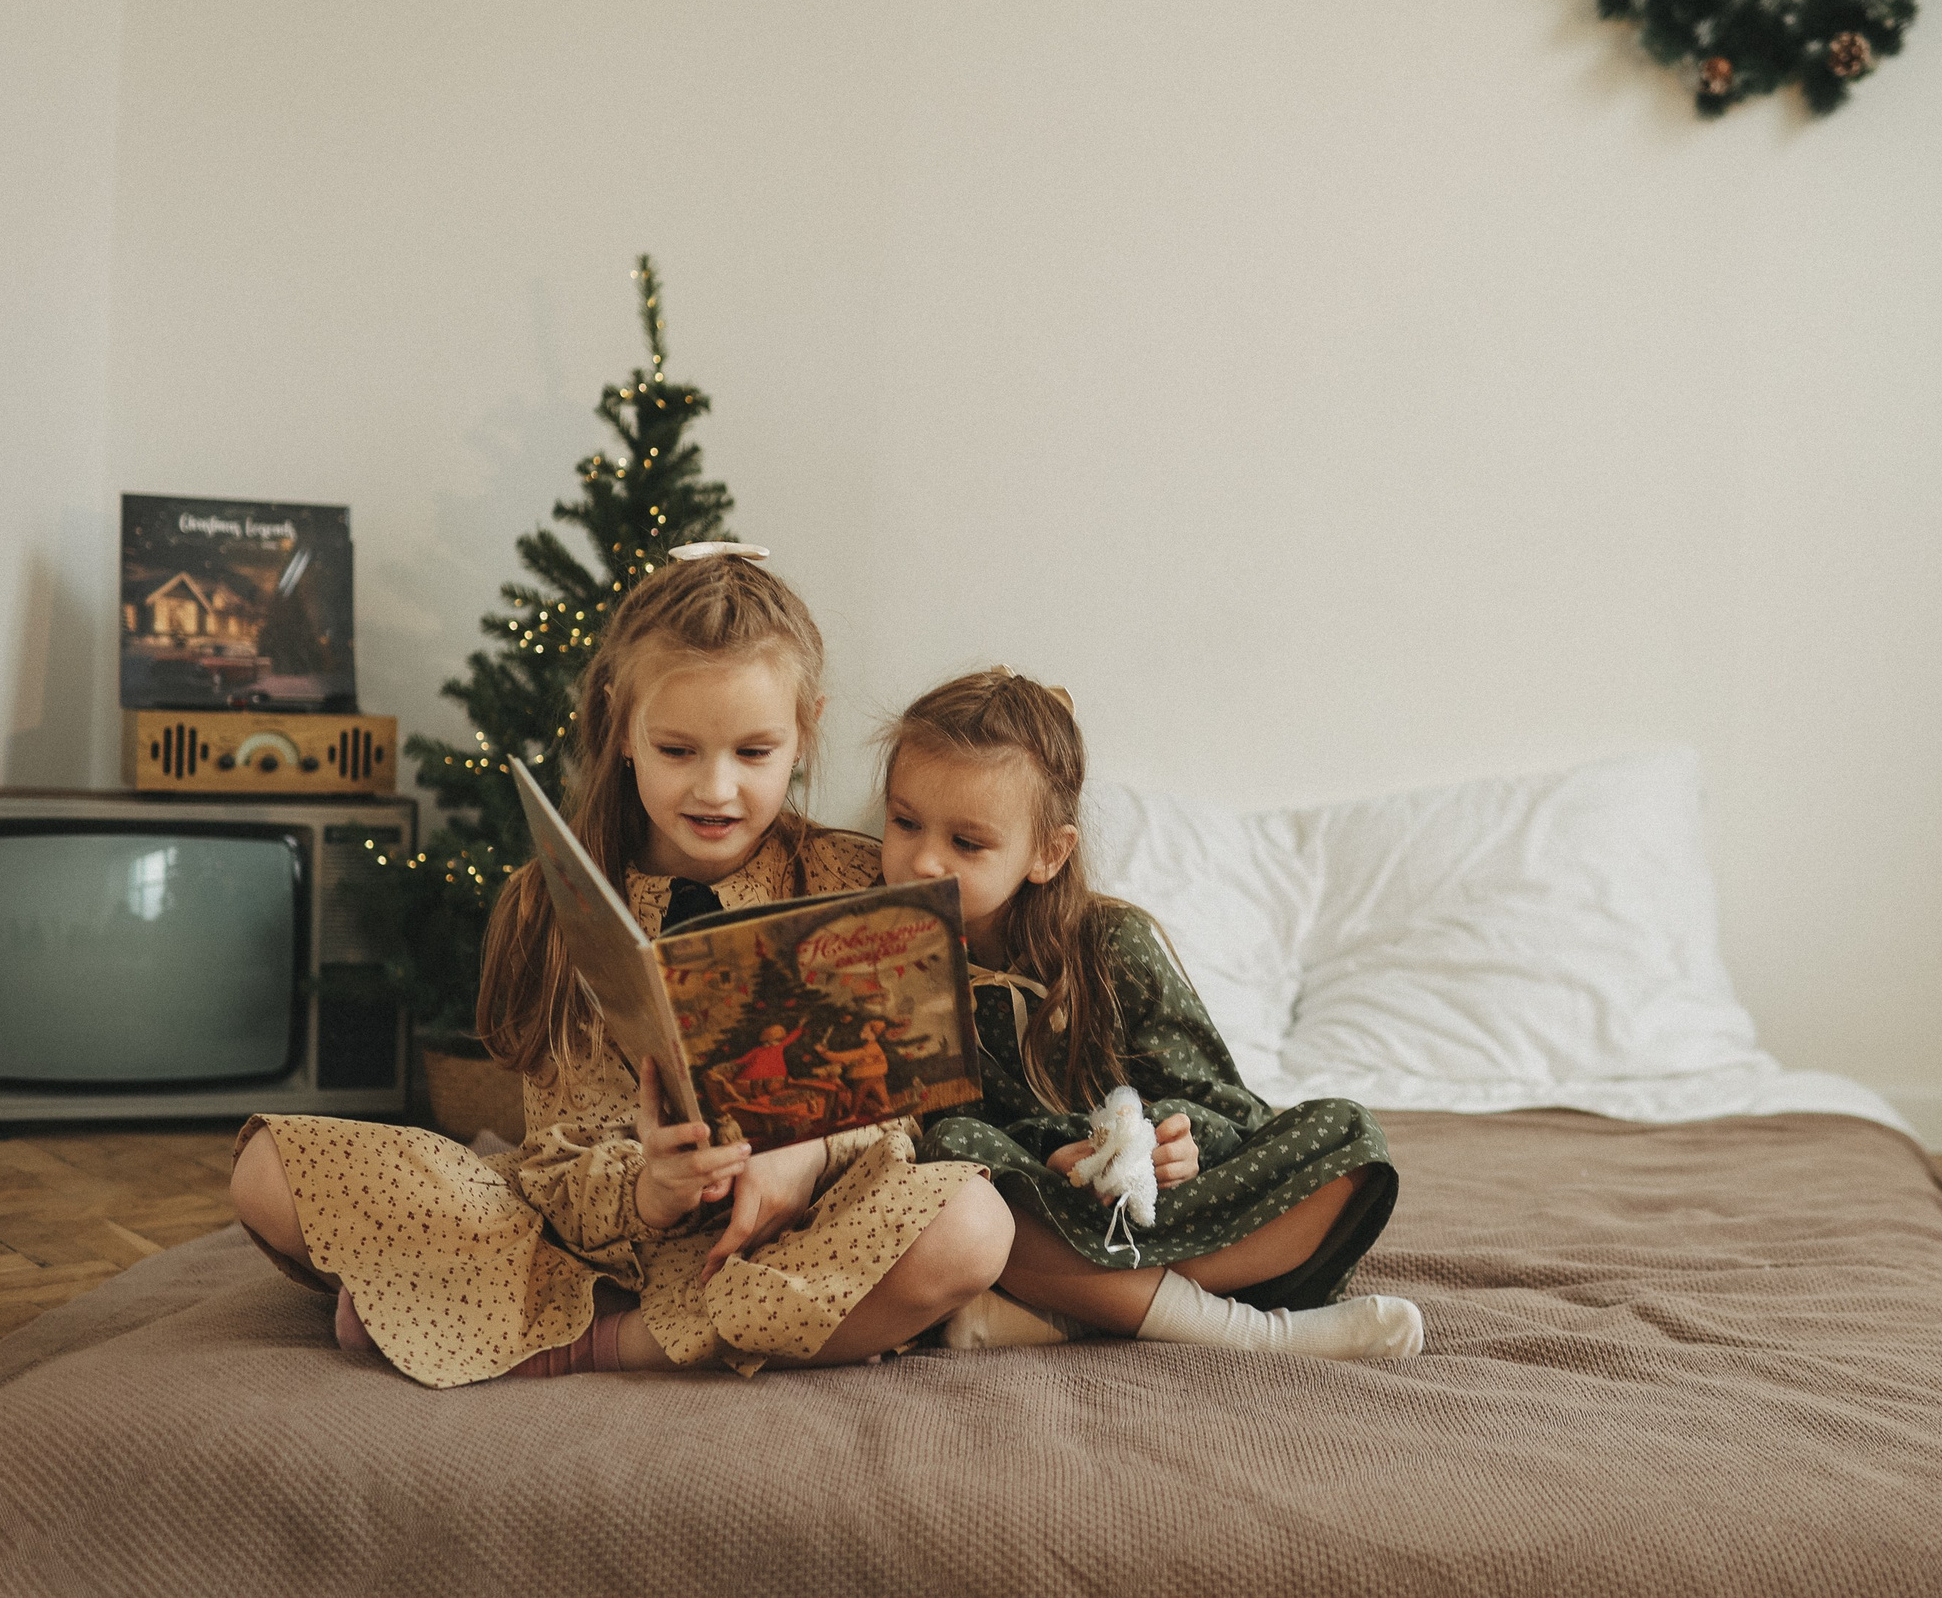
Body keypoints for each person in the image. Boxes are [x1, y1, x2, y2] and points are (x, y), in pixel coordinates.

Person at [227, 548, 1011, 1384]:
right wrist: (650, 1190)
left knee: (971, 1227)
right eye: (677, 749)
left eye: (754, 753)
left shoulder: (851, 881)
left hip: (788, 1234)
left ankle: (594, 1342)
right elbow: (552, 1159)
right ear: (621, 725)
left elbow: (903, 1117)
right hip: (586, 1236)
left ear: (805, 732)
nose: (716, 789)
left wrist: (806, 1159)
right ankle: (653, 1321)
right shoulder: (552, 901)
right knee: (267, 1170)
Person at [883, 668, 1421, 1361]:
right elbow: (930, 1142)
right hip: (1027, 1219)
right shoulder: (885, 959)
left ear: (1048, 853)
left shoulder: (1114, 945)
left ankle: (1079, 1310)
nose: (924, 861)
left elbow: (1224, 1106)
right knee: (955, 1153)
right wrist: (1053, 1155)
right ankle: (1248, 1333)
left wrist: (1178, 1144)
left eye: (967, 843)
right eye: (905, 823)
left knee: (1349, 1137)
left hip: (1163, 1212)